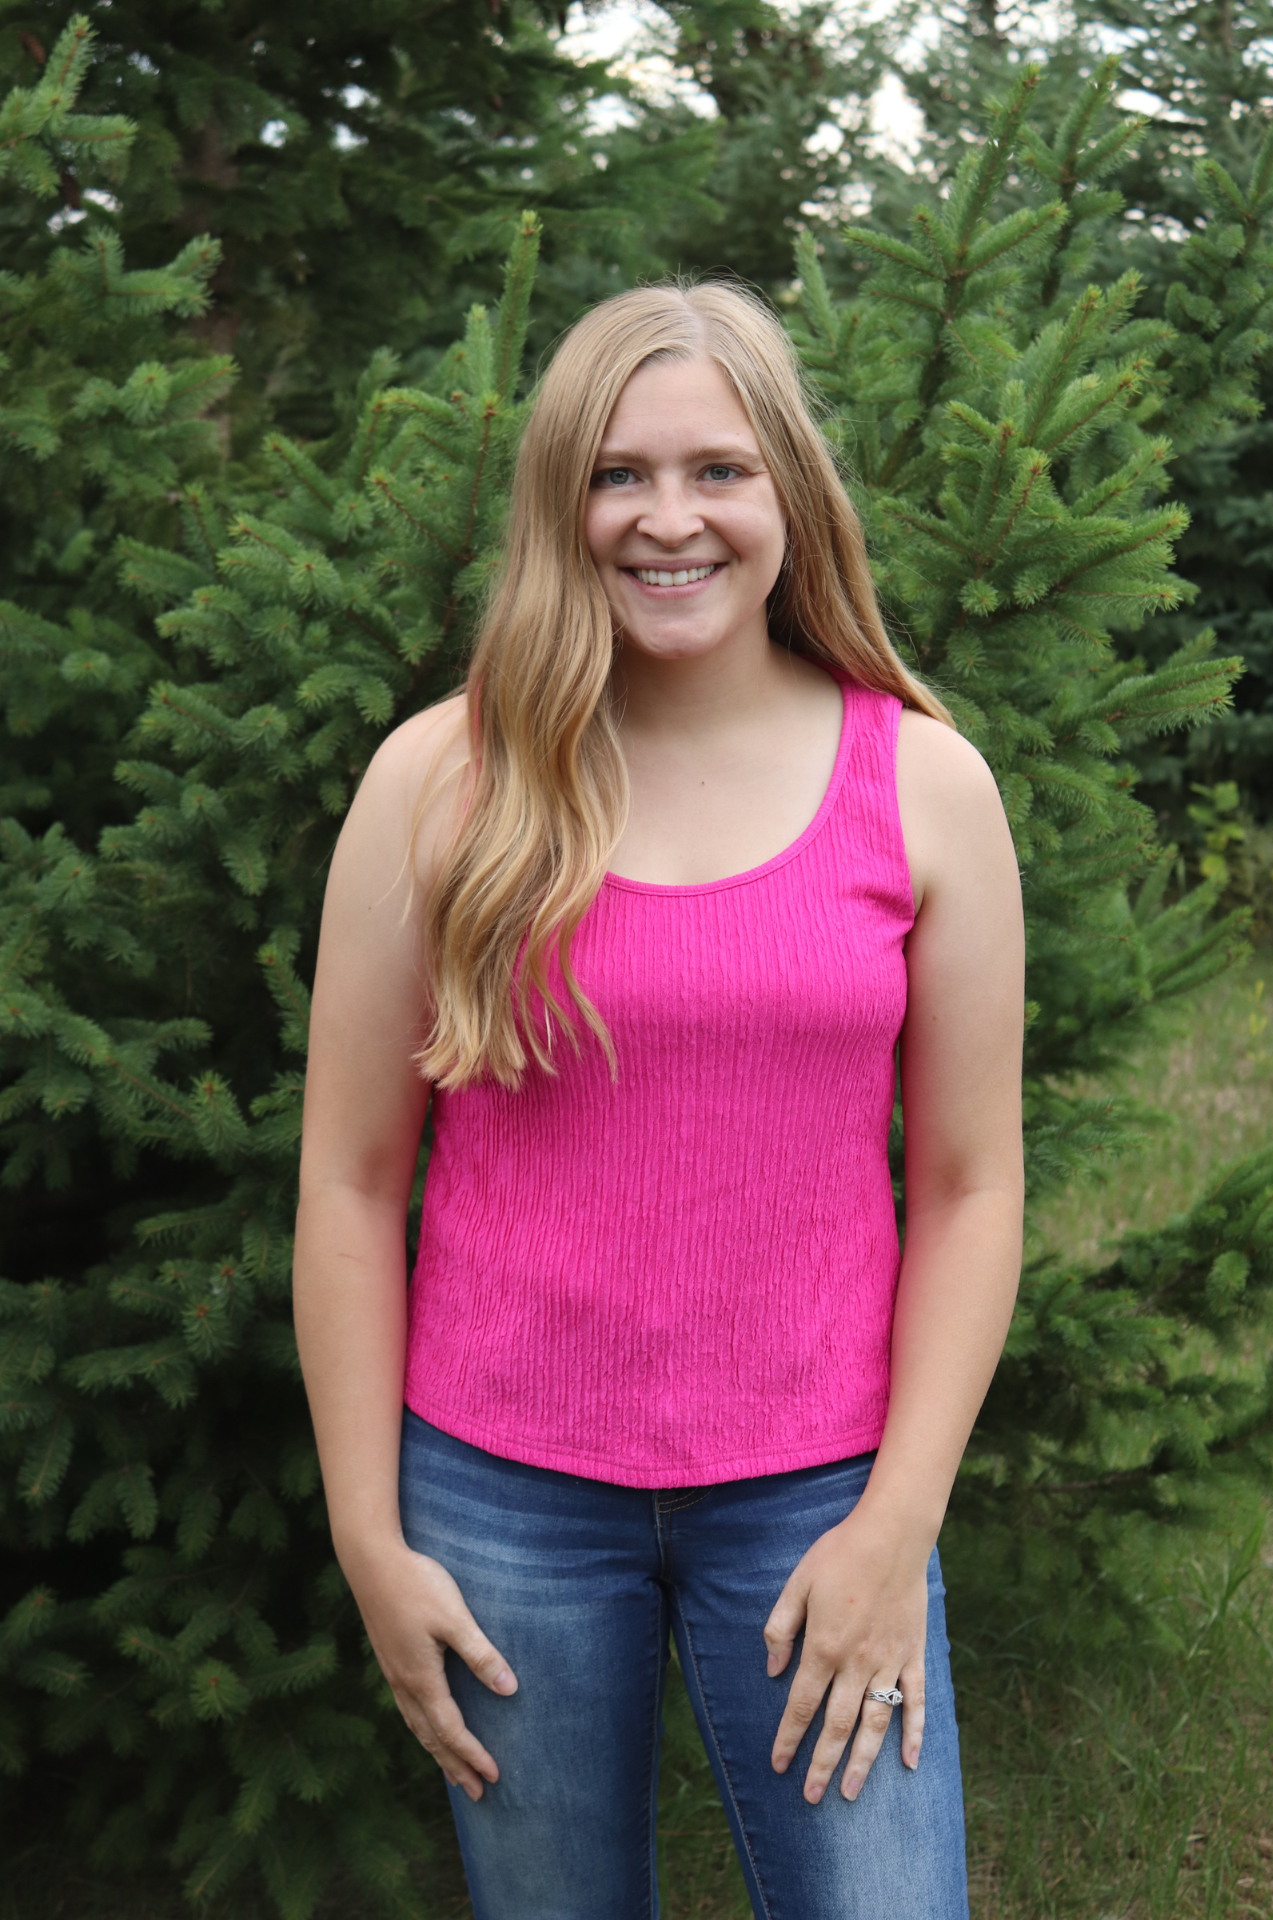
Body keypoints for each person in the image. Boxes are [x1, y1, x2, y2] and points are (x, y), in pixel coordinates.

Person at [293, 281, 1025, 1920]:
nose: (669, 518)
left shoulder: (921, 783)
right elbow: (348, 1180)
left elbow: (974, 1185)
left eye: (719, 470)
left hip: (824, 1488)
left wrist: (897, 1525)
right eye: (621, 473)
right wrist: (367, 1530)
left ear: (791, 496)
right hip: (501, 1502)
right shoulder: (442, 780)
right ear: (564, 499)